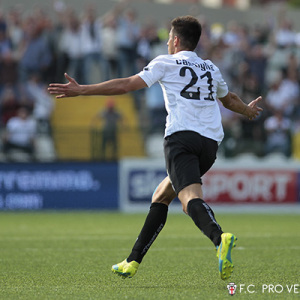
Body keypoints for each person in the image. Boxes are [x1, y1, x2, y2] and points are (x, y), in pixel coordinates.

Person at [48, 15, 263, 281]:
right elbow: (229, 99)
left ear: (174, 40)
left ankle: (220, 238)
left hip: (181, 138)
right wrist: (248, 110)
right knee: (162, 195)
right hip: (209, 144)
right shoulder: (210, 68)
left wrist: (83, 90)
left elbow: (126, 84)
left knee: (189, 200)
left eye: (168, 39)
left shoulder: (165, 62)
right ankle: (132, 260)